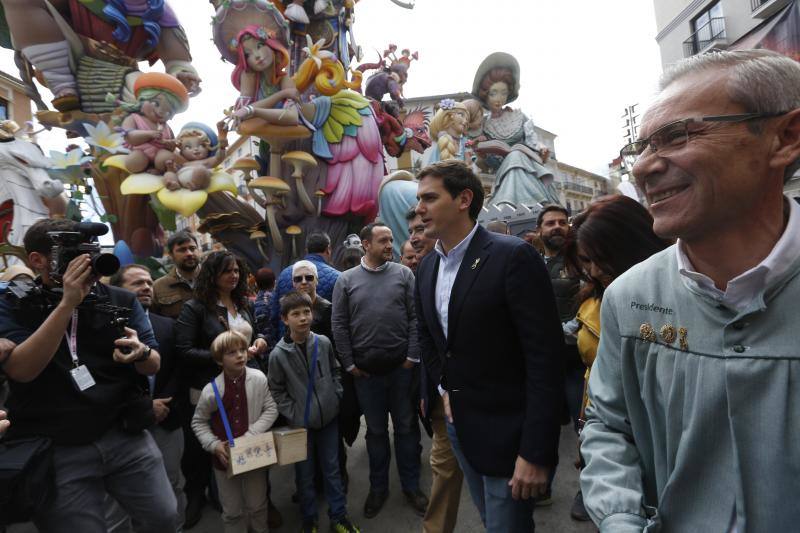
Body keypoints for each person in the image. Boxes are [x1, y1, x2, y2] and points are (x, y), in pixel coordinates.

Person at [580, 49, 800, 532]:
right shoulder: (630, 296)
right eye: (641, 148)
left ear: (785, 137)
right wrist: (620, 520)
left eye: (677, 136)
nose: (643, 168)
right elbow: (609, 426)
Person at [414, 160, 564, 532]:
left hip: (510, 437)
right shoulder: (428, 266)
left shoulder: (513, 257)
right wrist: (443, 388)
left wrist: (536, 452)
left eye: (430, 198)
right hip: (458, 427)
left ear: (464, 199)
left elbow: (545, 360)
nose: (419, 208)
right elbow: (429, 338)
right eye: (419, 199)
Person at [0, 218, 176, 532]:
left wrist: (142, 353)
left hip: (124, 434)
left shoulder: (121, 300)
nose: (87, 264)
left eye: (90, 253)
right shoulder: (15, 304)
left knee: (163, 516)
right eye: (73, 255)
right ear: (37, 261)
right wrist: (68, 303)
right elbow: (22, 371)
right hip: (57, 446)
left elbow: (154, 363)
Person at [560, 197, 670, 523]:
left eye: (599, 258)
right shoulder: (595, 298)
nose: (593, 270)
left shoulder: (669, 297)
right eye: (585, 261)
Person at [331, 222, 428, 518]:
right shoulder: (345, 281)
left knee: (407, 429)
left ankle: (411, 486)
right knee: (374, 433)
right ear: (365, 244)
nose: (390, 245)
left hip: (402, 371)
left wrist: (411, 357)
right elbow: (339, 325)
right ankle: (378, 488)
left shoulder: (404, 275)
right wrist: (349, 364)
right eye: (383, 241)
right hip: (366, 376)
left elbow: (415, 318)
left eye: (390, 240)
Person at [175, 250, 271, 528]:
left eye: (237, 271)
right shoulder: (196, 307)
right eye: (227, 271)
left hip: (248, 384)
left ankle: (260, 507)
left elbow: (256, 331)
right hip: (214, 388)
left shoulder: (243, 304)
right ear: (213, 274)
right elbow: (183, 350)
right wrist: (223, 357)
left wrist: (261, 341)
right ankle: (229, 509)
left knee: (252, 445)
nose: (234, 275)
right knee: (220, 452)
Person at [268, 291, 360, 533]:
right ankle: (309, 519)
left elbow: (335, 370)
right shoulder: (278, 355)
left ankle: (339, 516)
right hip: (300, 425)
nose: (303, 318)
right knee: (305, 474)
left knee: (332, 470)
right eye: (295, 314)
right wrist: (294, 412)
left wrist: (335, 396)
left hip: (329, 419)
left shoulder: (323, 342)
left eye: (306, 312)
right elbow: (276, 390)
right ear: (284, 319)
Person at [110, 263, 189, 528]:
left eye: (148, 282)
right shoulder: (107, 330)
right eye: (136, 283)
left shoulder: (167, 325)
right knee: (129, 496)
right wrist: (147, 406)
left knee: (172, 483)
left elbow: (179, 368)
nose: (146, 287)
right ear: (116, 290)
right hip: (126, 425)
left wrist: (164, 402)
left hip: (167, 419)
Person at [192, 331, 278, 533]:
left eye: (242, 350)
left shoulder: (258, 378)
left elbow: (271, 408)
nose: (240, 355)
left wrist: (251, 435)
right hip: (225, 460)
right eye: (231, 352)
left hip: (254, 453)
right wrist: (213, 445)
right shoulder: (211, 390)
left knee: (258, 504)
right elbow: (199, 422)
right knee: (231, 510)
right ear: (219, 360)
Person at [270, 232, 340, 345]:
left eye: (309, 278)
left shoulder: (283, 274)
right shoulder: (337, 277)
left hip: (294, 345)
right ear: (328, 249)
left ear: (306, 250)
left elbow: (273, 314)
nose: (303, 282)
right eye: (298, 279)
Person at [152, 230, 200, 318]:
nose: (189, 253)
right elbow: (155, 321)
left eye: (192, 248)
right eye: (182, 250)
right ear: (171, 254)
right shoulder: (158, 287)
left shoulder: (214, 278)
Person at [253, 267, 276, 341]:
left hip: (260, 342)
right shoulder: (279, 300)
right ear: (274, 283)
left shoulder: (253, 304)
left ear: (256, 284)